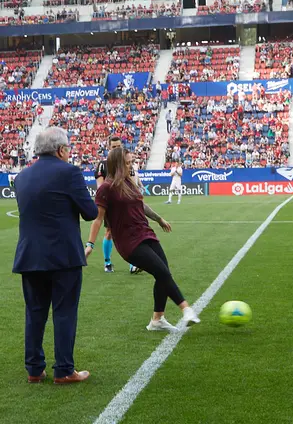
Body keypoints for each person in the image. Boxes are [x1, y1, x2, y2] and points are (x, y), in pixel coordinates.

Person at [13, 127, 97, 384]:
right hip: (63, 256)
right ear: (61, 150)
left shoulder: (22, 177)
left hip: (30, 255)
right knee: (64, 312)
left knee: (35, 312)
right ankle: (63, 370)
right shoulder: (69, 172)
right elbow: (90, 212)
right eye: (68, 148)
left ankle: (34, 369)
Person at [86, 147, 201, 331]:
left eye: (131, 162)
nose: (131, 166)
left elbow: (142, 205)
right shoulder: (106, 189)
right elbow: (98, 219)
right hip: (128, 241)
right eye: (128, 163)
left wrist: (159, 219)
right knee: (162, 272)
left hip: (145, 233)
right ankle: (186, 308)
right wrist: (90, 244)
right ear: (117, 164)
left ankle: (157, 320)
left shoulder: (129, 182)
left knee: (163, 272)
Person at [93, 136, 142, 274]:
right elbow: (100, 188)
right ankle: (107, 262)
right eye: (113, 147)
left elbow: (132, 185)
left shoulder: (127, 164)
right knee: (109, 232)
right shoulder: (103, 165)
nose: (116, 149)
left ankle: (133, 264)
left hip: (125, 204)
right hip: (111, 204)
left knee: (131, 232)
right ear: (109, 148)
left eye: (118, 146)